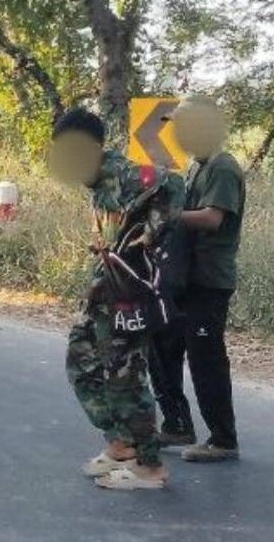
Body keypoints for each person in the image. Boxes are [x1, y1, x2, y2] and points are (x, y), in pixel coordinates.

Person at [51, 107, 184, 490]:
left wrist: (150, 235)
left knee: (126, 375)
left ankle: (150, 467)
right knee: (81, 360)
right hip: (105, 289)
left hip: (129, 292)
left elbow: (172, 185)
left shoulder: (125, 173)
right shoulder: (96, 182)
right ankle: (121, 443)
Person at [150, 95, 245, 462]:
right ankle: (176, 424)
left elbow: (211, 219)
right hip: (184, 276)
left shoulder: (222, 166)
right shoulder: (195, 167)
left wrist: (168, 216)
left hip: (209, 279)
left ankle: (223, 439)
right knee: (162, 345)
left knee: (205, 357)